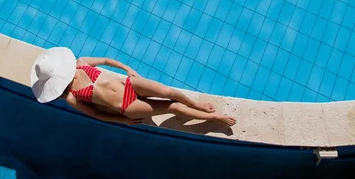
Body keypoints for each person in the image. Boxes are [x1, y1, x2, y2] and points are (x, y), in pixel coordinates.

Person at [31, 47, 236, 127]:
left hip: (129, 83)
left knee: (169, 92)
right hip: (127, 105)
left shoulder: (82, 62)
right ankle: (214, 118)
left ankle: (198, 105)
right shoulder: (71, 97)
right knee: (171, 106)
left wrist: (126, 67)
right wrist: (122, 120)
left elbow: (104, 59)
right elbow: (95, 115)